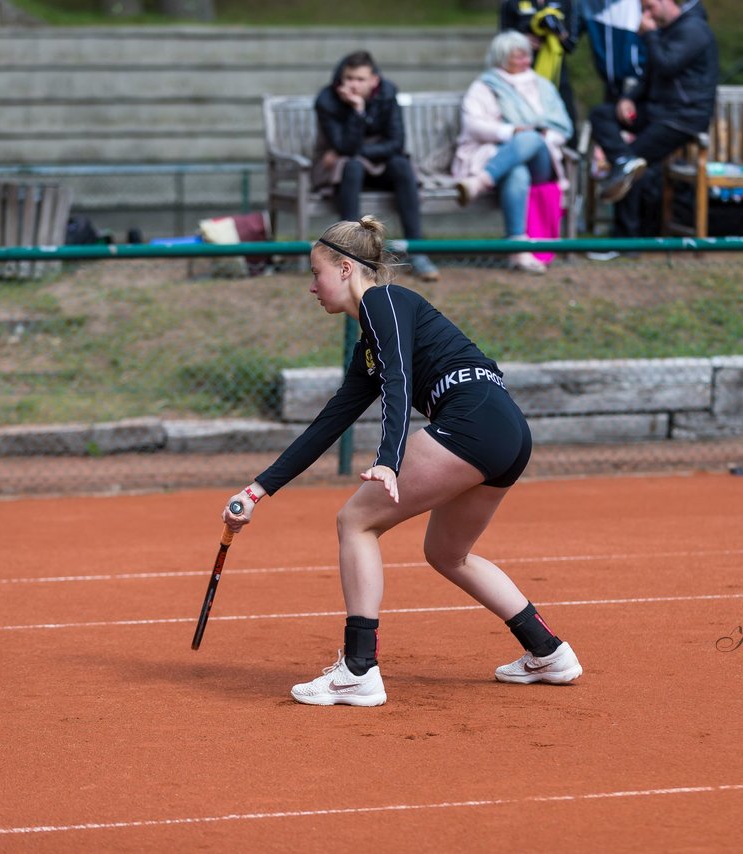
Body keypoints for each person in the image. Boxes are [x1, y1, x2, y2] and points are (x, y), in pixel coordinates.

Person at [222, 216, 583, 707]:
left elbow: (398, 382)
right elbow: (329, 423)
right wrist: (256, 490)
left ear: (346, 268)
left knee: (355, 522)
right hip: (506, 430)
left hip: (472, 423)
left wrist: (388, 460)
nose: (311, 287)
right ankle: (549, 651)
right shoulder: (374, 335)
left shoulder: (382, 301)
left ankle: (358, 668)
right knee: (448, 554)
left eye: (316, 273)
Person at [587, 0, 717, 238]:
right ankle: (622, 159)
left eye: (650, 8)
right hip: (658, 111)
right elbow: (650, 74)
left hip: (683, 118)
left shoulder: (693, 29)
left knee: (634, 164)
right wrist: (628, 98)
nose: (646, 15)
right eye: (643, 10)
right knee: (602, 114)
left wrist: (651, 35)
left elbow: (667, 65)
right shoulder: (669, 29)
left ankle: (626, 239)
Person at [452, 31, 575, 274]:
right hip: (501, 159)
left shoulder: (543, 86)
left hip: (541, 161)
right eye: (516, 57)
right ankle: (518, 248)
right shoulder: (485, 86)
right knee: (517, 171)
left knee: (530, 137)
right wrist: (511, 131)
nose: (524, 61)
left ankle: (480, 181)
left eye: (526, 55)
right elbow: (473, 125)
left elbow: (563, 127)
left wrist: (532, 135)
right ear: (500, 58)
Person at [313, 51, 440, 282]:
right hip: (344, 170)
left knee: (401, 164)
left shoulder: (388, 93)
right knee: (352, 166)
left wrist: (359, 150)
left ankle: (419, 251)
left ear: (374, 81)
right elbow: (342, 145)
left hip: (379, 162)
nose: (353, 84)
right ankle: (349, 253)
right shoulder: (327, 100)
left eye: (360, 79)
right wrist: (357, 110)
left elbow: (396, 143)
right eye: (349, 78)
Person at [499, 0, 582, 141]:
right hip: (520, 76)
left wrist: (557, 31)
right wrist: (522, 40)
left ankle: (568, 158)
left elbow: (571, 44)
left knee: (568, 120)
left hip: (556, 74)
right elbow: (502, 39)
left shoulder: (565, 3)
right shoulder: (511, 3)